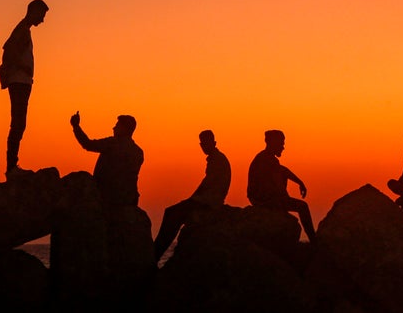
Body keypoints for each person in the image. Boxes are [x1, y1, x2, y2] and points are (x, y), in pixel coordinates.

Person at [153, 130, 232, 261]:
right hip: (206, 199)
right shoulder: (216, 159)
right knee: (171, 212)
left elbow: (207, 185)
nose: (204, 147)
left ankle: (156, 253)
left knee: (172, 213)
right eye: (202, 144)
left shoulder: (218, 160)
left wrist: (191, 200)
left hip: (209, 202)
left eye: (206, 143)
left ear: (213, 143)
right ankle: (156, 251)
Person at [0, 0, 49, 179]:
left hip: (22, 81)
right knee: (18, 123)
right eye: (42, 15)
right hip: (19, 81)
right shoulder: (22, 31)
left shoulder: (23, 30)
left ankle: (12, 166)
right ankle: (11, 168)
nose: (42, 20)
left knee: (19, 123)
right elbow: (8, 49)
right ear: (34, 11)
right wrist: (21, 67)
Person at [247, 129, 316, 242]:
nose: (283, 147)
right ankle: (314, 241)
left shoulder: (266, 158)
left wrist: (299, 182)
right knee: (302, 206)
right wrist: (285, 199)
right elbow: (277, 182)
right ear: (273, 142)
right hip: (263, 200)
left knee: (282, 175)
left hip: (262, 198)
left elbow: (283, 170)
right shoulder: (265, 160)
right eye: (281, 143)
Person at [70, 111, 143, 206]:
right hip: (129, 199)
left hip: (108, 196)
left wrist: (76, 126)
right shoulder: (138, 152)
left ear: (124, 129)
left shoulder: (112, 144)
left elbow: (88, 144)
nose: (114, 128)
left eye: (117, 126)